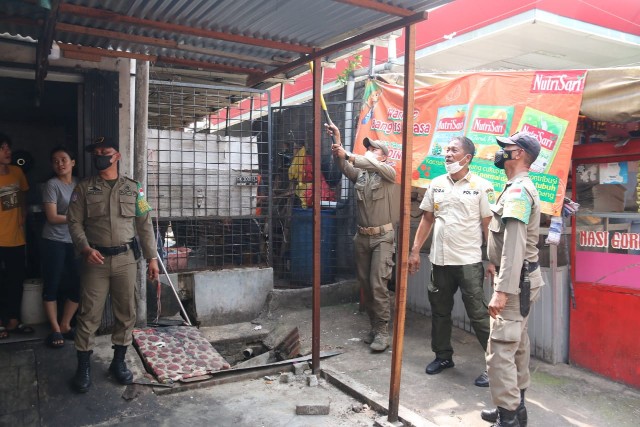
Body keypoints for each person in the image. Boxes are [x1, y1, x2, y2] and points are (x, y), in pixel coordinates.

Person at [67, 136, 159, 393]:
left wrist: (152, 258)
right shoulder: (84, 188)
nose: (99, 156)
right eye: (96, 152)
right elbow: (74, 222)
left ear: (117, 156)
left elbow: (144, 224)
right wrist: (84, 248)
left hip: (125, 261)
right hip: (94, 260)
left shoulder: (134, 188)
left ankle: (118, 363)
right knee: (88, 315)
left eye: (104, 151)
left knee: (126, 312)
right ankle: (83, 366)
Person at [408, 136, 494, 387]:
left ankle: (496, 365)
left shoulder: (481, 186)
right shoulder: (436, 184)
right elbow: (427, 219)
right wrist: (415, 251)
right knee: (440, 311)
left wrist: (492, 259)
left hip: (468, 260)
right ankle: (443, 356)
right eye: (446, 150)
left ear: (467, 157)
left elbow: (488, 225)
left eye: (453, 150)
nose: (447, 154)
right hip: (439, 260)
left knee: (478, 313)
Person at [480, 132, 544, 427]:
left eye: (505, 148)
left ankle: (508, 417)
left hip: (515, 283)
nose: (500, 152)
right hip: (523, 279)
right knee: (516, 345)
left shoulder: (518, 191)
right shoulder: (516, 187)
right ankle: (515, 407)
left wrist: (502, 291)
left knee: (500, 350)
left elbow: (515, 244)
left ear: (517, 153)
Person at [326, 123, 396, 352]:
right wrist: (337, 139)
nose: (369, 150)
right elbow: (344, 164)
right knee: (365, 285)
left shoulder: (388, 172)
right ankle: (374, 327)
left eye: (374, 149)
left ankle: (383, 331)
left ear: (384, 157)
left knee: (378, 284)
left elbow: (356, 160)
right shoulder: (362, 175)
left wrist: (350, 155)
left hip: (382, 238)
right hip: (362, 237)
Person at [41, 146, 80, 348]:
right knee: (52, 284)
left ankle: (65, 324)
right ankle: (55, 328)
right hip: (54, 241)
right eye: (55, 161)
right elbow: (52, 217)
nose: (60, 164)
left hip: (74, 241)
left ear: (73, 162)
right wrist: (78, 219)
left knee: (77, 285)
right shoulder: (52, 185)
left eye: (64, 159)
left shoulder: (79, 184)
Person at [0, 132, 33, 339]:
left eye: (8, 147)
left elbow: (23, 197)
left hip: (15, 238)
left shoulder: (17, 172)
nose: (8, 151)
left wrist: (23, 213)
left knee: (15, 280)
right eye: (3, 148)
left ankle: (13, 320)